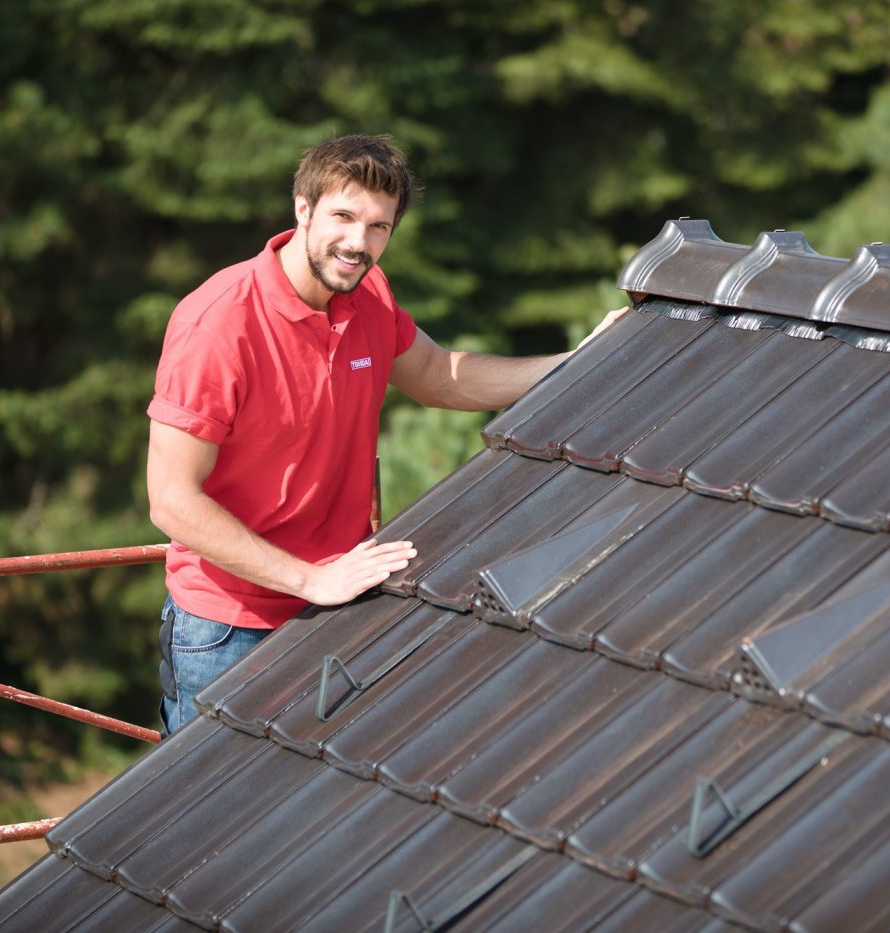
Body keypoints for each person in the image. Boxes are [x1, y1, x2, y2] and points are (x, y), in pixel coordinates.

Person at [146, 134, 624, 735]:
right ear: (302, 208)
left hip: (340, 603)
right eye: (343, 217)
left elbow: (437, 376)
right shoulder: (218, 324)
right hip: (230, 627)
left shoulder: (367, 293)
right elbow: (170, 499)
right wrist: (309, 578)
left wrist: (576, 361)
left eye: (379, 227)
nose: (358, 243)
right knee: (208, 815)